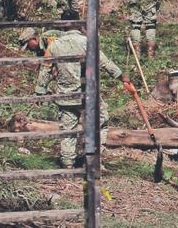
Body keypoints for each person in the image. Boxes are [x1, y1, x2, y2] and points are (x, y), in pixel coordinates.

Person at [19, 27, 127, 167]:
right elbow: (103, 62)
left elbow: (46, 69)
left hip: (68, 92)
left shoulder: (52, 42)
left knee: (69, 128)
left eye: (28, 45)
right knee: (100, 120)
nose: (28, 49)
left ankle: (68, 163)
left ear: (34, 38)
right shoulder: (84, 42)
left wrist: (40, 91)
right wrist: (120, 76)